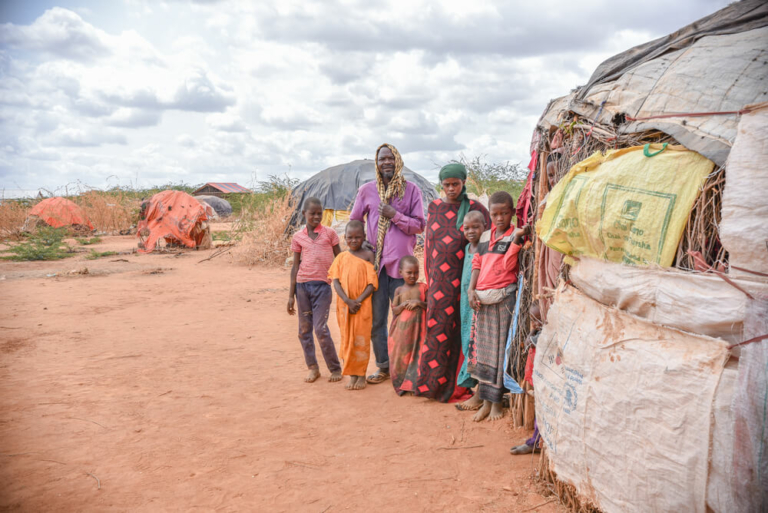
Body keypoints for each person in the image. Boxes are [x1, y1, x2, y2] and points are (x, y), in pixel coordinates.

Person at [349, 144, 425, 385]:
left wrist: (395, 215)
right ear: (377, 162)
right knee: (378, 321)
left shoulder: (411, 190)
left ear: (398, 160)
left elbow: (419, 225)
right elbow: (354, 222)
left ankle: (406, 368)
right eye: (382, 159)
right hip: (376, 267)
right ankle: (384, 366)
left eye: (391, 158)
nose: (387, 162)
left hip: (403, 269)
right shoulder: (366, 191)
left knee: (405, 319)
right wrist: (363, 243)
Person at [418, 163, 490, 403]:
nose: (451, 189)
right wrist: (430, 279)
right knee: (437, 329)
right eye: (446, 185)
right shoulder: (434, 208)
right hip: (439, 283)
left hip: (467, 280)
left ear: (463, 182)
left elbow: (487, 243)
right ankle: (431, 385)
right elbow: (429, 247)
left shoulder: (476, 209)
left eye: (455, 184)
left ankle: (459, 386)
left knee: (463, 330)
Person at [466, 191, 529, 421]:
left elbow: (508, 266)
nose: (499, 218)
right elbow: (477, 263)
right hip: (483, 300)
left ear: (512, 213)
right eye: (495, 214)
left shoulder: (515, 235)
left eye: (504, 213)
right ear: (489, 215)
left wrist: (516, 240)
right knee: (484, 352)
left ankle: (496, 403)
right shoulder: (485, 236)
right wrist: (471, 290)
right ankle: (485, 401)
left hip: (503, 300)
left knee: (500, 351)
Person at [287, 197, 343, 384]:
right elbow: (295, 266)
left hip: (322, 287)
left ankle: (335, 368)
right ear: (304, 214)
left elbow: (340, 259)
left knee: (320, 329)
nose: (317, 217)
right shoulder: (298, 237)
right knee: (304, 330)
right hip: (302, 287)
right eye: (313, 213)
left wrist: (344, 282)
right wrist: (291, 295)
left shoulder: (330, 234)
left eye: (320, 213)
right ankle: (313, 368)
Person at [328, 220, 378, 391]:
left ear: (364, 237)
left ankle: (361, 374)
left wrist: (358, 301)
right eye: (350, 237)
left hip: (363, 306)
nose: (354, 240)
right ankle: (352, 375)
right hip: (345, 307)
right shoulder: (341, 258)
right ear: (345, 238)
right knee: (347, 339)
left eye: (358, 237)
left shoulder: (368, 255)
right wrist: (348, 301)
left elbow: (372, 283)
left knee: (361, 340)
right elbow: (335, 281)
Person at [455, 210, 486, 410]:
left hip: (478, 303)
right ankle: (475, 389)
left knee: (479, 345)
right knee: (468, 342)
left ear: (485, 227)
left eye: (476, 227)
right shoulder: (467, 248)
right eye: (467, 228)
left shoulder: (485, 248)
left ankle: (481, 392)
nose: (471, 231)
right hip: (465, 306)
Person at [387, 256, 428, 395]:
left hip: (418, 330)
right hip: (402, 331)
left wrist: (418, 303)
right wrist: (403, 305)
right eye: (409, 272)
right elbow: (395, 310)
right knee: (402, 356)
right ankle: (402, 384)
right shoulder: (399, 290)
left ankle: (414, 385)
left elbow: (430, 305)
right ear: (400, 272)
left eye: (416, 272)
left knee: (417, 355)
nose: (412, 276)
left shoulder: (423, 287)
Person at [511, 302, 543, 455]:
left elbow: (530, 341)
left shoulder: (545, 334)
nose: (535, 324)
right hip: (538, 379)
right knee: (540, 409)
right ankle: (536, 441)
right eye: (532, 320)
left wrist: (533, 332)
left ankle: (537, 442)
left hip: (544, 380)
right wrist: (534, 329)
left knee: (543, 411)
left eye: (538, 319)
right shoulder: (539, 332)